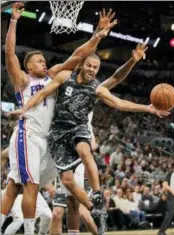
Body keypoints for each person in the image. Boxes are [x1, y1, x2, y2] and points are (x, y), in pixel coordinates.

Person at [21, 52, 170, 234]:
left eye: (95, 67)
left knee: (72, 208)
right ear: (82, 64)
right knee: (63, 207)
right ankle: (97, 210)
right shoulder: (64, 78)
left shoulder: (96, 89)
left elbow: (117, 88)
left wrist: (133, 63)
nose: (92, 69)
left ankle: (97, 205)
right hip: (58, 139)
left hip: (80, 142)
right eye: (88, 65)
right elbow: (45, 89)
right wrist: (24, 108)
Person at [1, 2, 117, 234]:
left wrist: (97, 36)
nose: (44, 61)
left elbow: (78, 55)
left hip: (50, 141)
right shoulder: (23, 81)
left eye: (45, 59)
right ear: (28, 66)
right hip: (29, 135)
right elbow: (9, 52)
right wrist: (13, 20)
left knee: (15, 185)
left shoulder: (54, 76)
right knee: (30, 184)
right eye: (39, 60)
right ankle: (29, 229)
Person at [157, 160, 174, 235]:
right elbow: (164, 184)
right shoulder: (170, 173)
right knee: (171, 212)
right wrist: (172, 190)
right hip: (172, 195)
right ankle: (161, 231)